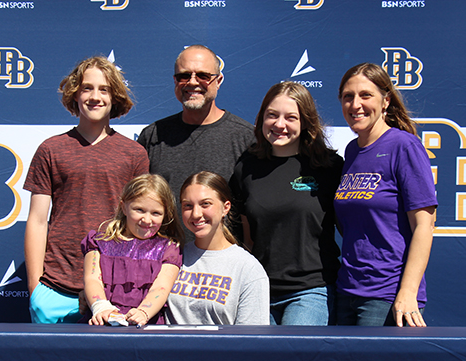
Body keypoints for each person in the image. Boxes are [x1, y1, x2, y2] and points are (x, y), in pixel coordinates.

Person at [24, 56, 149, 323]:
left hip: (116, 289)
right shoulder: (51, 149)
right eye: (87, 88)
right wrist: (35, 288)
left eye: (103, 89)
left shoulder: (134, 154)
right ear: (75, 94)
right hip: (55, 287)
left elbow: (141, 222)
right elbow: (37, 220)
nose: (95, 96)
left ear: (115, 96)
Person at [229, 82, 343, 325]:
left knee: (294, 360)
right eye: (272, 115)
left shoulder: (329, 167)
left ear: (306, 122)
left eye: (291, 117)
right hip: (258, 290)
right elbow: (247, 235)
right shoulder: (246, 166)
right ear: (261, 119)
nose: (279, 124)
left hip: (310, 291)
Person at [334, 62, 437, 327]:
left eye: (365, 95)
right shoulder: (351, 151)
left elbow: (424, 225)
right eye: (348, 97)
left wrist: (408, 292)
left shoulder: (404, 146)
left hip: (387, 296)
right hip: (347, 290)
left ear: (386, 101)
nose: (356, 104)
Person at [137, 45, 254, 202]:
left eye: (202, 76)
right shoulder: (153, 135)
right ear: (175, 80)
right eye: (184, 76)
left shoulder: (246, 138)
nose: (192, 82)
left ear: (218, 81)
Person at [167, 171, 270, 325]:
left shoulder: (248, 268)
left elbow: (252, 339)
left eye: (205, 204)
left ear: (225, 208)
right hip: (168, 348)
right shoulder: (172, 255)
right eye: (188, 205)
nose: (196, 214)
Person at [82, 174, 183, 326]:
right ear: (124, 207)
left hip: (147, 324)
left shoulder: (169, 249)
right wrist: (101, 306)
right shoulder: (100, 242)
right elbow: (92, 279)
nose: (147, 220)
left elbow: (161, 287)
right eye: (139, 210)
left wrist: (143, 312)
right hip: (103, 321)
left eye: (156, 213)